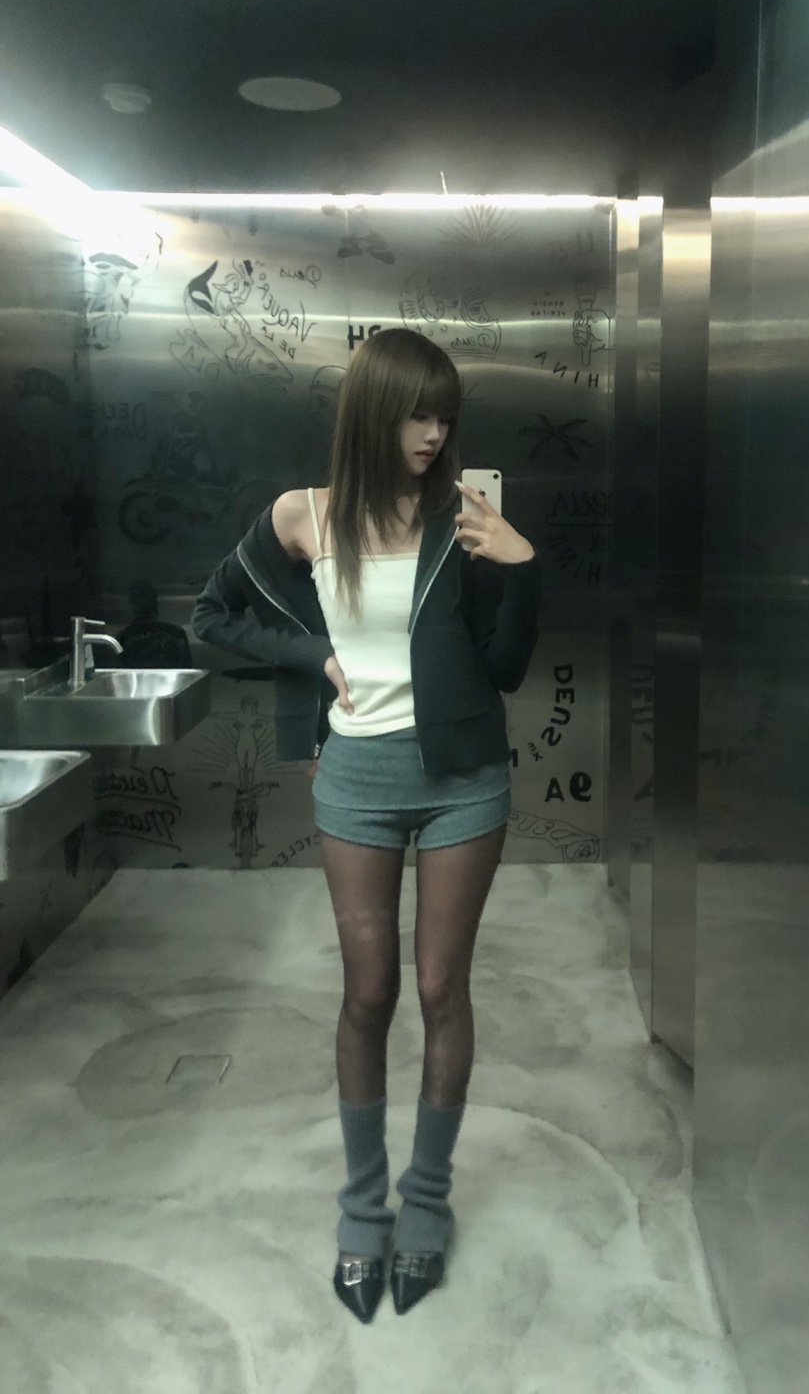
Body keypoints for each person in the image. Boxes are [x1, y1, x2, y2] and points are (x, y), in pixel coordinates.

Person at [191, 328, 541, 1323]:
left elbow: (504, 667)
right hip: (354, 778)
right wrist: (311, 655)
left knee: (439, 988)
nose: (432, 434)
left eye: (444, 417)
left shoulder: (461, 519)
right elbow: (212, 616)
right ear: (372, 413)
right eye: (415, 414)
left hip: (464, 779)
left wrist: (521, 568)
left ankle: (425, 1203)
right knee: (368, 992)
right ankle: (361, 1211)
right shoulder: (302, 516)